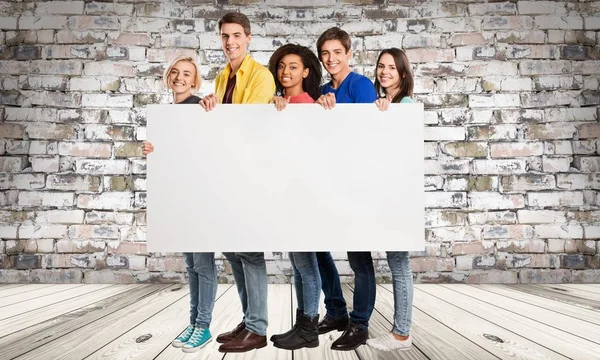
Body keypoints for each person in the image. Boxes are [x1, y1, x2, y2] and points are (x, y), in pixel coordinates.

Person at [198, 12, 276, 354]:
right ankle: (249, 320)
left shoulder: (260, 76)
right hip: (226, 173)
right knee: (232, 248)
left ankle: (258, 329)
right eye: (224, 36)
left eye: (236, 36)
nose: (230, 42)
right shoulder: (220, 77)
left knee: (249, 250)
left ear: (248, 38)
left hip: (250, 173)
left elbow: (248, 125)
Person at [142, 55, 217, 353]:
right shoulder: (168, 115)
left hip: (201, 198)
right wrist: (153, 149)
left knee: (203, 263)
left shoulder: (200, 107)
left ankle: (204, 326)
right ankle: (194, 323)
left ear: (195, 81)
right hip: (182, 198)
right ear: (167, 77)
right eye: (175, 71)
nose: (180, 77)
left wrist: (210, 104)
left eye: (187, 73)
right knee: (191, 265)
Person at [313, 27, 379, 351]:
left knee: (358, 258)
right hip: (327, 185)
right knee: (316, 247)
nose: (331, 59)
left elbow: (367, 134)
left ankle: (360, 324)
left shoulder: (361, 86)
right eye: (325, 53)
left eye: (337, 52)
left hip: (356, 184)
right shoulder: (322, 90)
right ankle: (336, 311)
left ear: (348, 53)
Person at [265, 43, 323, 350]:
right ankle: (303, 323)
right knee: (299, 263)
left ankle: (309, 328)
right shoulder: (282, 103)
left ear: (306, 71)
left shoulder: (305, 103)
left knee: (305, 262)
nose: (286, 72)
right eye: (281, 66)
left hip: (303, 195)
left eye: (293, 67)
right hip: (287, 192)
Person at [367, 48, 415, 352]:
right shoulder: (383, 104)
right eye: (381, 66)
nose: (385, 72)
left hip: (398, 196)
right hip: (386, 195)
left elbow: (401, 151)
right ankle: (401, 331)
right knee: (397, 262)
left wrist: (387, 117)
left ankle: (401, 334)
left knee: (399, 264)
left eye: (391, 68)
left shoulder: (405, 105)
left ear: (403, 74)